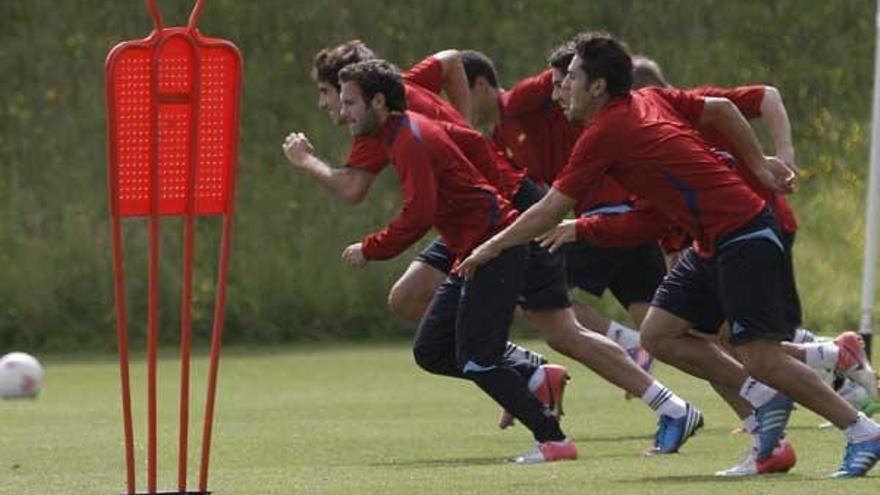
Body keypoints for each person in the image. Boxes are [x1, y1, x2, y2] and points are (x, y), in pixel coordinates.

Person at [458, 32, 880, 477]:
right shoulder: (650, 98)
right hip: (713, 241)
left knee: (759, 356)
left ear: (597, 86)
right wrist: (582, 228)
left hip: (742, 232)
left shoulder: (605, 132)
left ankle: (861, 430)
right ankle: (772, 425)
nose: (561, 90)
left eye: (572, 79)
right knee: (659, 332)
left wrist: (489, 247)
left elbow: (545, 209)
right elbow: (717, 115)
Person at [309, 58, 578, 462]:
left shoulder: (407, 139)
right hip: (470, 250)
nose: (343, 112)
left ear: (379, 102)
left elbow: (418, 213)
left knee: (477, 358)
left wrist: (371, 248)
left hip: (492, 250)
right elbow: (471, 141)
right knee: (432, 350)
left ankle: (553, 440)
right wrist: (491, 194)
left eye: (350, 103)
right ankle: (535, 375)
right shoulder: (402, 133)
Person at [461, 46, 658, 372]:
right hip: (621, 213)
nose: (558, 92)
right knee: (671, 328)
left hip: (605, 212)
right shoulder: (497, 140)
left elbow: (569, 71)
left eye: (458, 91)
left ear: (481, 85)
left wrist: (598, 57)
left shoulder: (520, 101)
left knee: (533, 292)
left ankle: (630, 345)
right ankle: (760, 390)